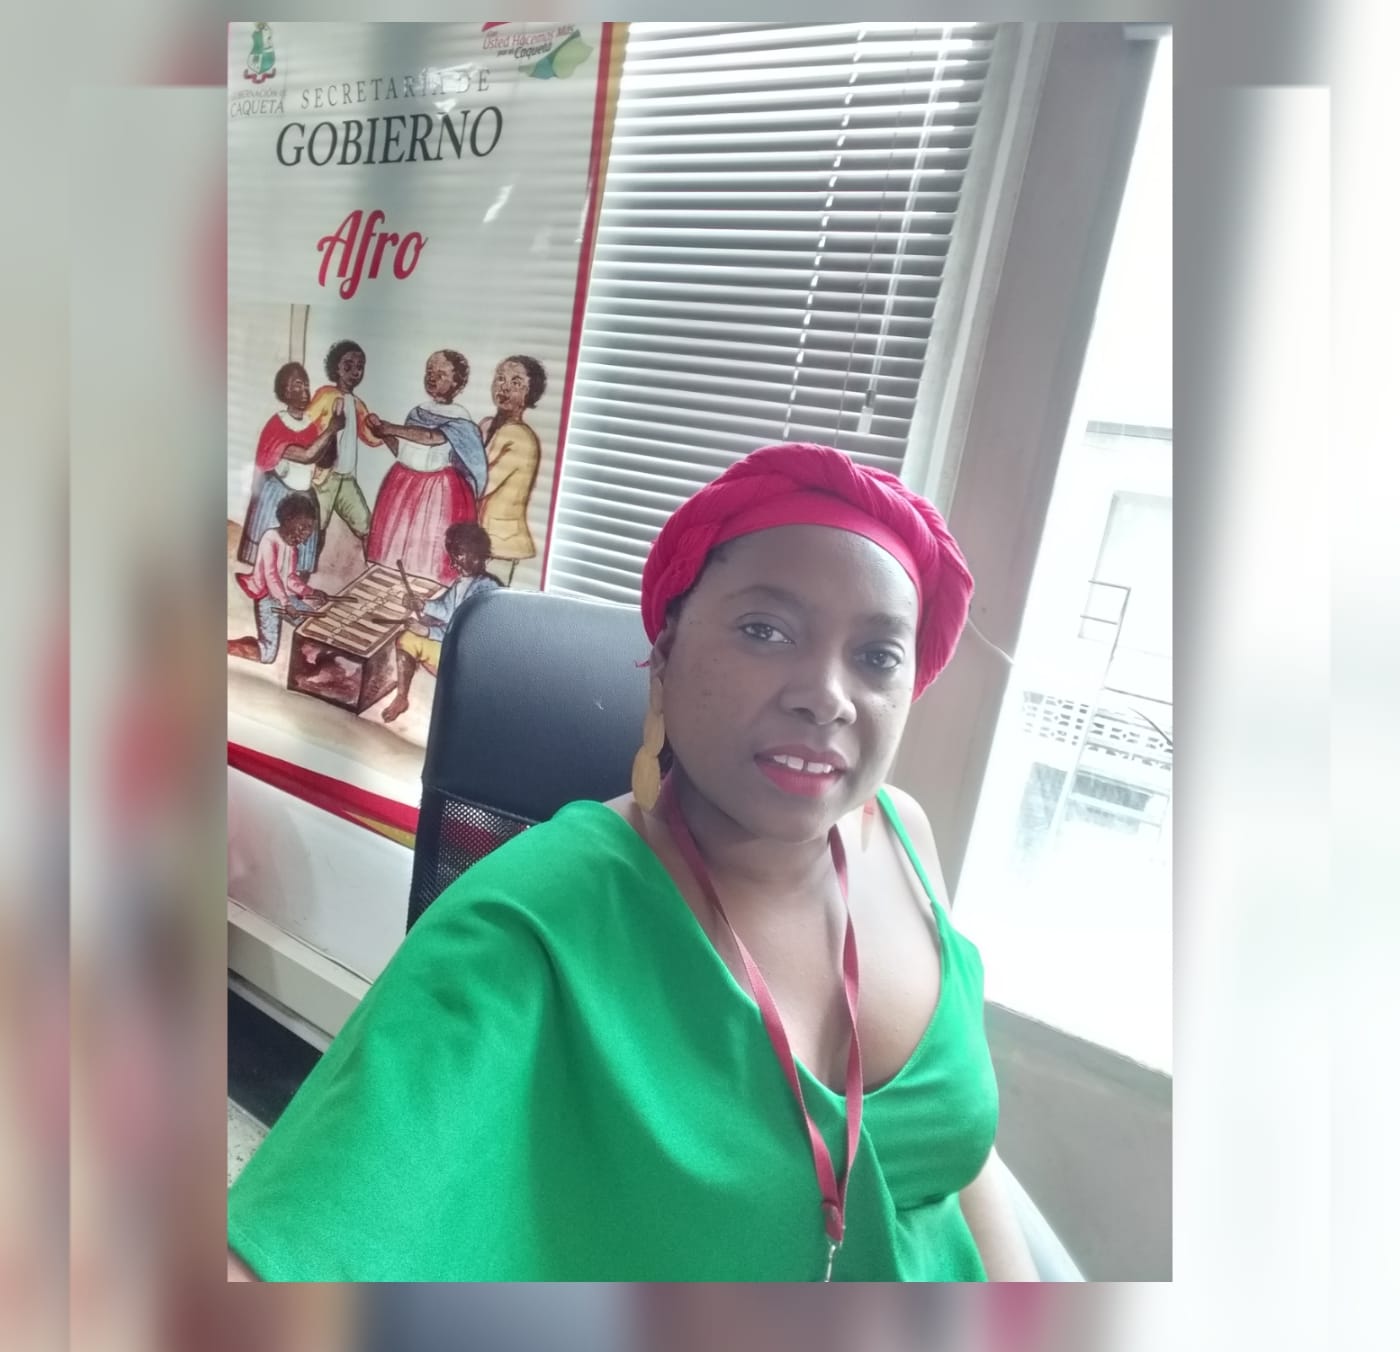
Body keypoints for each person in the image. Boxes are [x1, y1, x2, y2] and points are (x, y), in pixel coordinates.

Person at [227, 443, 1038, 1282]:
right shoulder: (533, 920)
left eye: (877, 656)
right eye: (766, 630)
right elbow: (298, 1235)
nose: (827, 696)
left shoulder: (904, 837)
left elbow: (957, 1155)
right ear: (667, 655)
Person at [365, 350, 490, 584]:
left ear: (457, 383)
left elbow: (431, 438)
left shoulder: (460, 418)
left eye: (441, 374)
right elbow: (403, 451)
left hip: (438, 491)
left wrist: (390, 428)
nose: (432, 377)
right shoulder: (418, 411)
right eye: (429, 372)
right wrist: (383, 434)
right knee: (394, 547)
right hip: (403, 485)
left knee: (428, 552)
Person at [380, 521, 502, 723]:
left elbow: (465, 635)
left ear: (477, 555)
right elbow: (446, 609)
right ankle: (401, 698)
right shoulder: (463, 582)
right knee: (406, 640)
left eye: (459, 555)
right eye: (453, 556)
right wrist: (422, 605)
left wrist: (428, 632)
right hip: (451, 650)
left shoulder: (487, 589)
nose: (453, 564)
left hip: (469, 664)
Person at [236, 361, 343, 577]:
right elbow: (306, 456)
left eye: (306, 386)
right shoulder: (277, 424)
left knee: (299, 561)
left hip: (303, 495)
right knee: (272, 558)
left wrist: (333, 432)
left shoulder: (310, 425)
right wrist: (331, 430)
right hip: (278, 495)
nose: (304, 391)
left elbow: (324, 461)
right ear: (285, 391)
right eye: (298, 385)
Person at [303, 340, 383, 560]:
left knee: (366, 526)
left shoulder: (357, 403)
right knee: (316, 528)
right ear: (335, 367)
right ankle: (305, 570)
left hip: (347, 478)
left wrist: (379, 428)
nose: (354, 372)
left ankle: (371, 567)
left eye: (360, 367)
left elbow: (370, 437)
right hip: (324, 477)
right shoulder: (326, 395)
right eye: (348, 365)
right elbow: (306, 425)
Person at [228, 493, 328, 664]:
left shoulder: (292, 547)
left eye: (309, 529)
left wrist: (310, 592)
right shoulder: (270, 538)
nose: (306, 534)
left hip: (284, 597)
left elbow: (290, 578)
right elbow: (271, 576)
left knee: (311, 624)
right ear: (288, 520)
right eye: (302, 528)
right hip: (267, 597)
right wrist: (286, 604)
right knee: (268, 655)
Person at [476, 355, 545, 584]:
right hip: (478, 537)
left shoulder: (520, 436)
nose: (504, 387)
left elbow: (480, 485)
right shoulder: (486, 425)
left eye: (516, 383)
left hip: (501, 542)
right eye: (500, 378)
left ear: (530, 393)